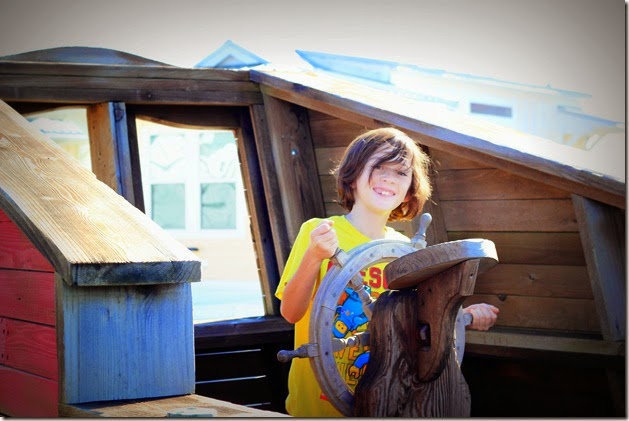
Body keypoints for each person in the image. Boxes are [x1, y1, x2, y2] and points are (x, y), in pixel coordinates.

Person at [275, 127, 499, 417]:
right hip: (315, 410)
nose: (388, 178)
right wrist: (314, 255)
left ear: (409, 192)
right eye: (379, 166)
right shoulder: (319, 232)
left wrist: (461, 315)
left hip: (386, 405)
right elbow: (291, 313)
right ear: (352, 176)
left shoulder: (406, 251)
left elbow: (417, 322)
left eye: (401, 172)